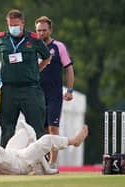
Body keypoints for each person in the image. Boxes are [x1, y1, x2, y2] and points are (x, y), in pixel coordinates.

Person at [0, 9, 51, 147]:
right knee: (7, 129)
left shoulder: (33, 39)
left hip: (30, 90)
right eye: (10, 25)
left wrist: (37, 70)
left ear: (22, 23)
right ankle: (4, 162)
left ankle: (42, 163)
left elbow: (47, 57)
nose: (13, 28)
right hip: (9, 90)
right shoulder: (1, 39)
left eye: (16, 25)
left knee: (37, 128)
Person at [0, 119, 88, 175]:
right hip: (19, 163)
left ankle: (41, 166)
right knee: (46, 139)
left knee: (24, 129)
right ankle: (74, 141)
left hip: (10, 153)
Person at [35, 16, 75, 169]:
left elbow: (69, 69)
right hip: (37, 95)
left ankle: (53, 162)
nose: (41, 33)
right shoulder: (32, 47)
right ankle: (42, 161)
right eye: (38, 30)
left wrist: (70, 90)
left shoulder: (59, 47)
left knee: (53, 128)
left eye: (44, 30)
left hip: (54, 94)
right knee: (40, 129)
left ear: (50, 30)